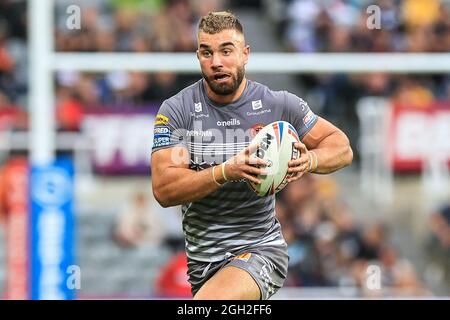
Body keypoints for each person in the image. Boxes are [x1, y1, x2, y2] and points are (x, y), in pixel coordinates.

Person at [150, 11, 353, 300]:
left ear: (245, 54)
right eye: (207, 52)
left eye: (226, 51)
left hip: (260, 251)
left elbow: (342, 147)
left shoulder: (278, 104)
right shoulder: (177, 111)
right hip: (203, 264)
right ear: (198, 56)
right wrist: (226, 171)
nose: (216, 62)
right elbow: (163, 189)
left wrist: (311, 161)